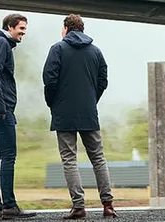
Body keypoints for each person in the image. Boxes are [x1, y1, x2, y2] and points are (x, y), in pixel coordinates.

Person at [42, 14, 118, 219]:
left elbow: (49, 80)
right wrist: (92, 100)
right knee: (98, 157)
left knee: (69, 159)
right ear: (82, 29)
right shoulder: (96, 51)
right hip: (88, 112)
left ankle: (79, 206)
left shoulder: (57, 49)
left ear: (66, 28)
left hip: (64, 112)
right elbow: (103, 80)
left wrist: (53, 103)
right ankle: (108, 205)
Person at [0, 13, 37, 220]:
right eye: (21, 29)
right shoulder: (1, 43)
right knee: (8, 156)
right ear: (10, 27)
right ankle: (9, 206)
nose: (23, 33)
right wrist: (2, 108)